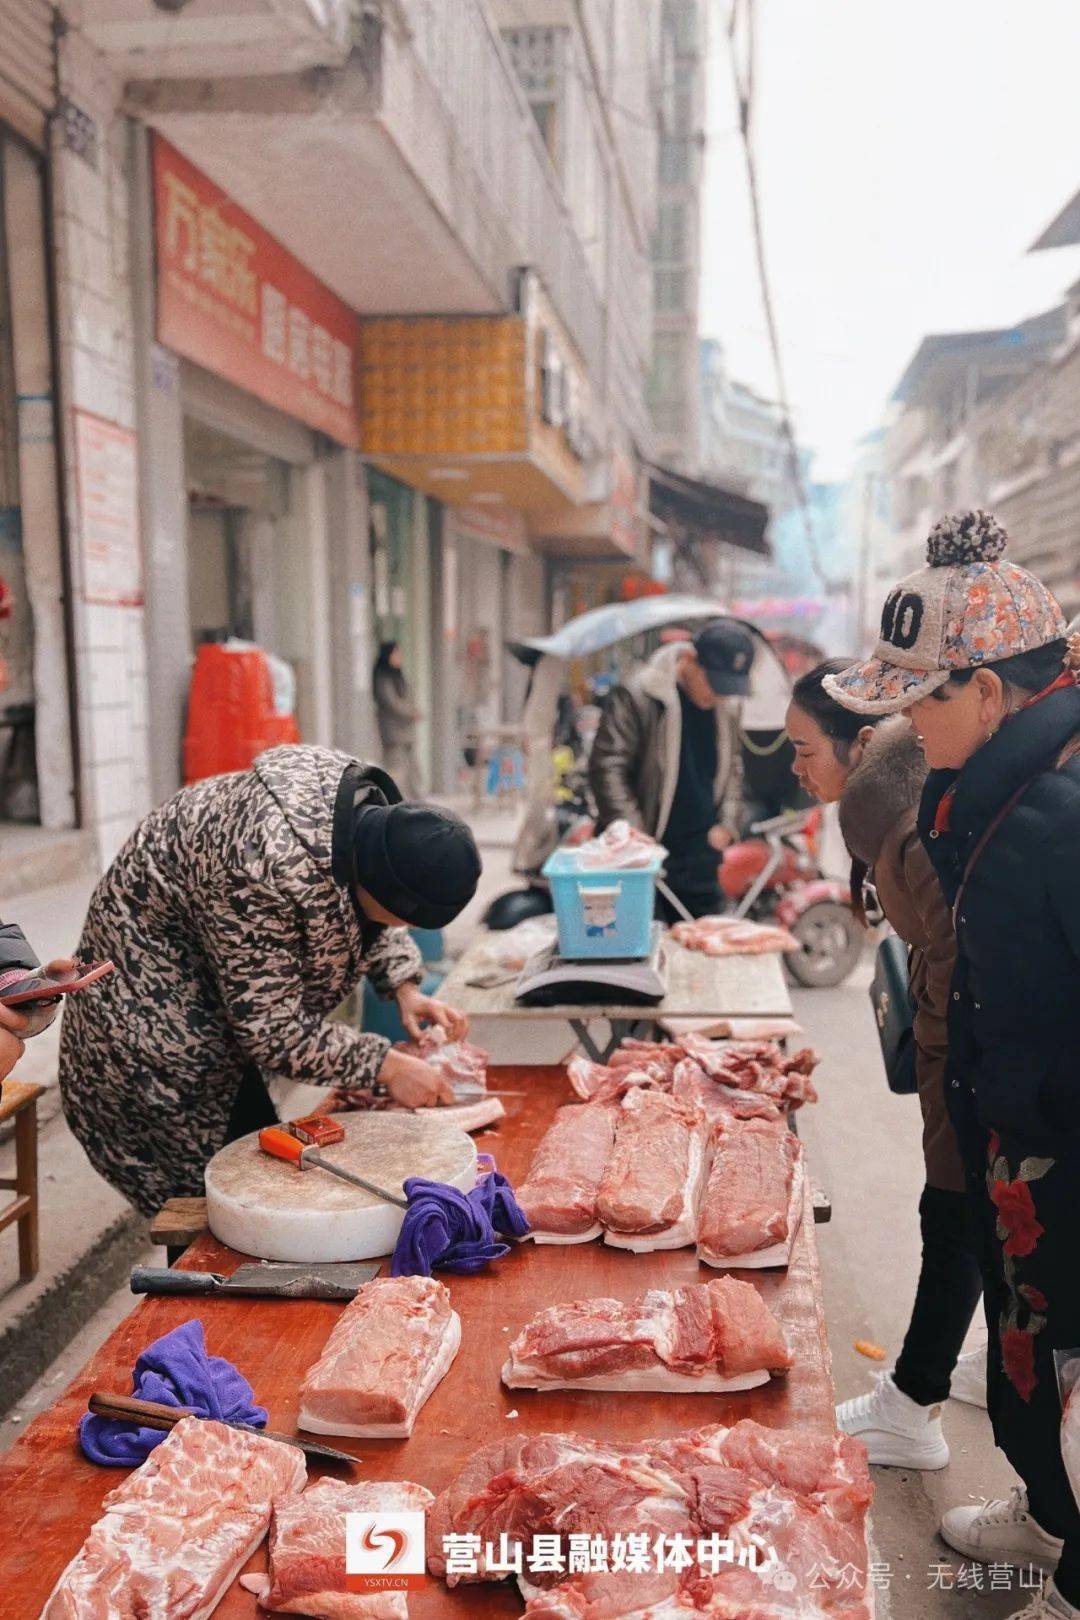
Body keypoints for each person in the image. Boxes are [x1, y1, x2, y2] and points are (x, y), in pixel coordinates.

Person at [826, 509, 1080, 1620]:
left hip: (1062, 1147)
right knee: (1029, 1364)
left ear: (990, 691)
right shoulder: (980, 789)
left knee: (1061, 1373)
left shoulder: (1061, 813)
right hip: (1015, 1136)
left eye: (923, 697)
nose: (905, 722)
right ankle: (1044, 1513)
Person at [58, 745, 481, 1217]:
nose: (398, 930)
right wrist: (387, 1065)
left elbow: (360, 914)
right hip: (147, 1036)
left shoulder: (358, 822)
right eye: (401, 919)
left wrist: (404, 986)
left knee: (256, 1185)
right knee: (220, 1208)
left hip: (207, 1014)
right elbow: (272, 1030)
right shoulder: (262, 866)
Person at [787, 661, 984, 1470]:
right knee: (978, 1221)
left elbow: (963, 954)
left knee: (955, 1212)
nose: (796, 769)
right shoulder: (889, 804)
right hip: (967, 1037)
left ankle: (913, 1406)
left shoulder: (900, 820)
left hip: (978, 1046)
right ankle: (979, 1372)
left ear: (862, 741)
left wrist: (936, 1060)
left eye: (804, 750)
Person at [588, 620, 754, 920]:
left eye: (727, 688)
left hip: (701, 854)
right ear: (689, 659)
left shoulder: (726, 708)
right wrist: (634, 838)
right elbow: (608, 766)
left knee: (700, 948)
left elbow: (734, 770)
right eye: (713, 683)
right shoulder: (638, 695)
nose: (718, 695)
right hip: (641, 856)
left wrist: (728, 823)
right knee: (641, 950)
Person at [373, 640, 421, 796]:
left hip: (405, 731)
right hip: (393, 732)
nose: (399, 657)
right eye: (396, 654)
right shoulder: (382, 677)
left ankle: (416, 803)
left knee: (412, 770)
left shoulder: (397, 675)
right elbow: (392, 702)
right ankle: (395, 803)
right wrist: (411, 712)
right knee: (396, 770)